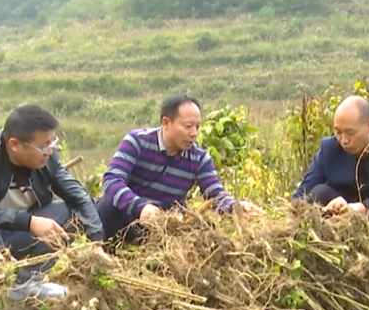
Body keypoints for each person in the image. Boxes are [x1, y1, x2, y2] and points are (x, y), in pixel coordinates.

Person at [0, 104, 106, 310]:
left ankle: (28, 283)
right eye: (43, 145)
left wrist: (96, 241)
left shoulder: (47, 158)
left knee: (72, 214)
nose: (50, 150)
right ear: (14, 145)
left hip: (18, 231)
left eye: (52, 142)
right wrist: (30, 222)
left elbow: (77, 196)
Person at [96, 94, 263, 243]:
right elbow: (112, 181)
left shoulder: (199, 158)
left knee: (204, 227)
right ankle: (101, 252)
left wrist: (236, 208)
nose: (194, 133)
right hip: (129, 219)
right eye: (188, 126)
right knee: (107, 205)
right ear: (166, 123)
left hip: (167, 227)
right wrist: (141, 207)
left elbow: (215, 194)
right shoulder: (137, 142)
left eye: (197, 126)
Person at [293, 96, 369, 259]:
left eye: (350, 133)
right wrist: (329, 207)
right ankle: (327, 257)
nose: (343, 140)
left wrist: (359, 208)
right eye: (338, 132)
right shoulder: (329, 148)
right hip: (336, 217)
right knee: (318, 193)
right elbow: (303, 191)